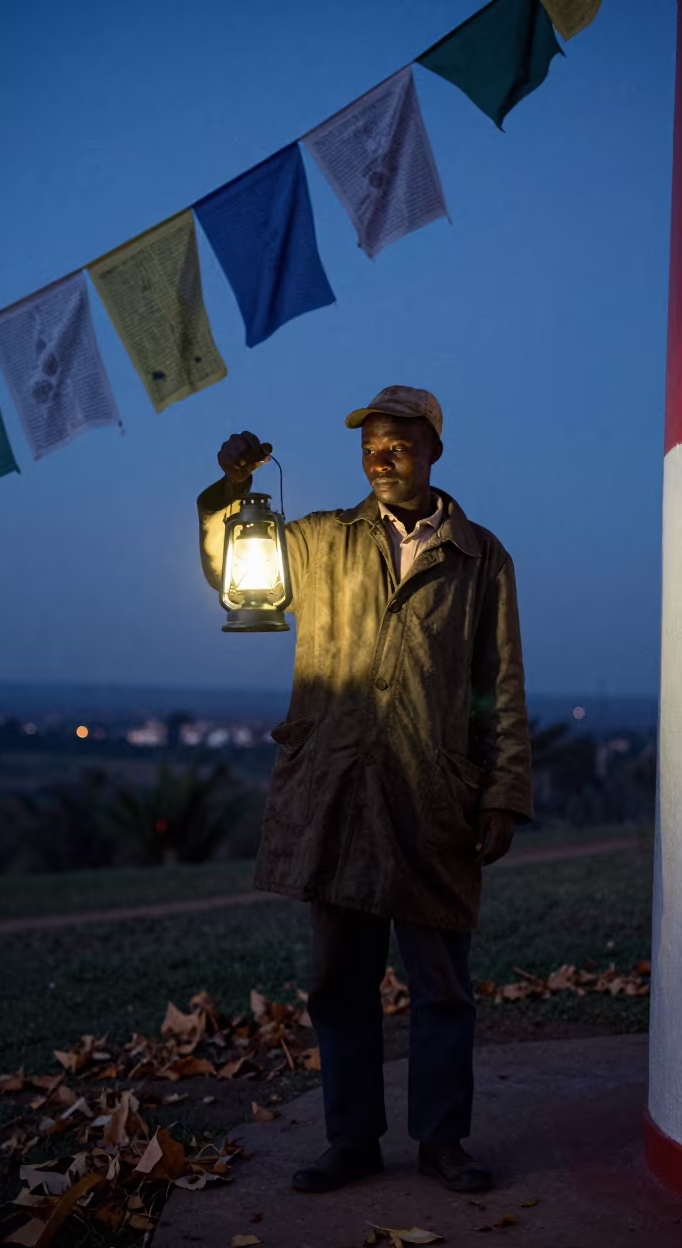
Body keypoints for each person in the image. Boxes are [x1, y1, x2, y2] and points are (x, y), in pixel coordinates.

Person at [197, 385, 532, 1195]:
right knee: (337, 983)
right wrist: (230, 495)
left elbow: (503, 683)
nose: (382, 456)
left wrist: (502, 793)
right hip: (339, 793)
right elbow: (228, 569)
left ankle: (442, 1140)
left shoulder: (482, 557)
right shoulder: (317, 540)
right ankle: (351, 1141)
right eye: (370, 444)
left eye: (399, 443)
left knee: (442, 986)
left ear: (433, 451)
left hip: (434, 796)